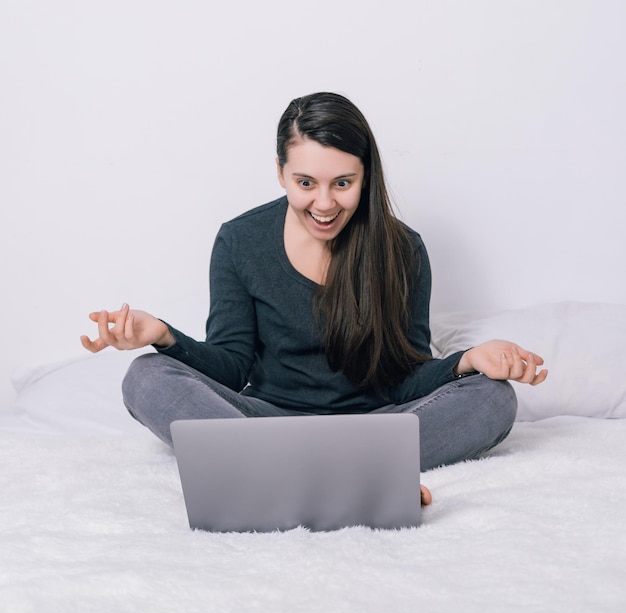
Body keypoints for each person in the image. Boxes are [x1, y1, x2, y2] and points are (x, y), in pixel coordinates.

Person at [81, 92, 547, 507]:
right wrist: (162, 335)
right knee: (146, 374)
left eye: (342, 183)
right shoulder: (240, 241)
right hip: (266, 421)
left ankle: (280, 474)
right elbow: (232, 364)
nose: (324, 204)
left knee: (493, 398)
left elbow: (404, 378)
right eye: (306, 183)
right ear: (281, 172)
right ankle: (352, 476)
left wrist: (468, 360)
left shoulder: (404, 250)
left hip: (374, 423)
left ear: (366, 177)